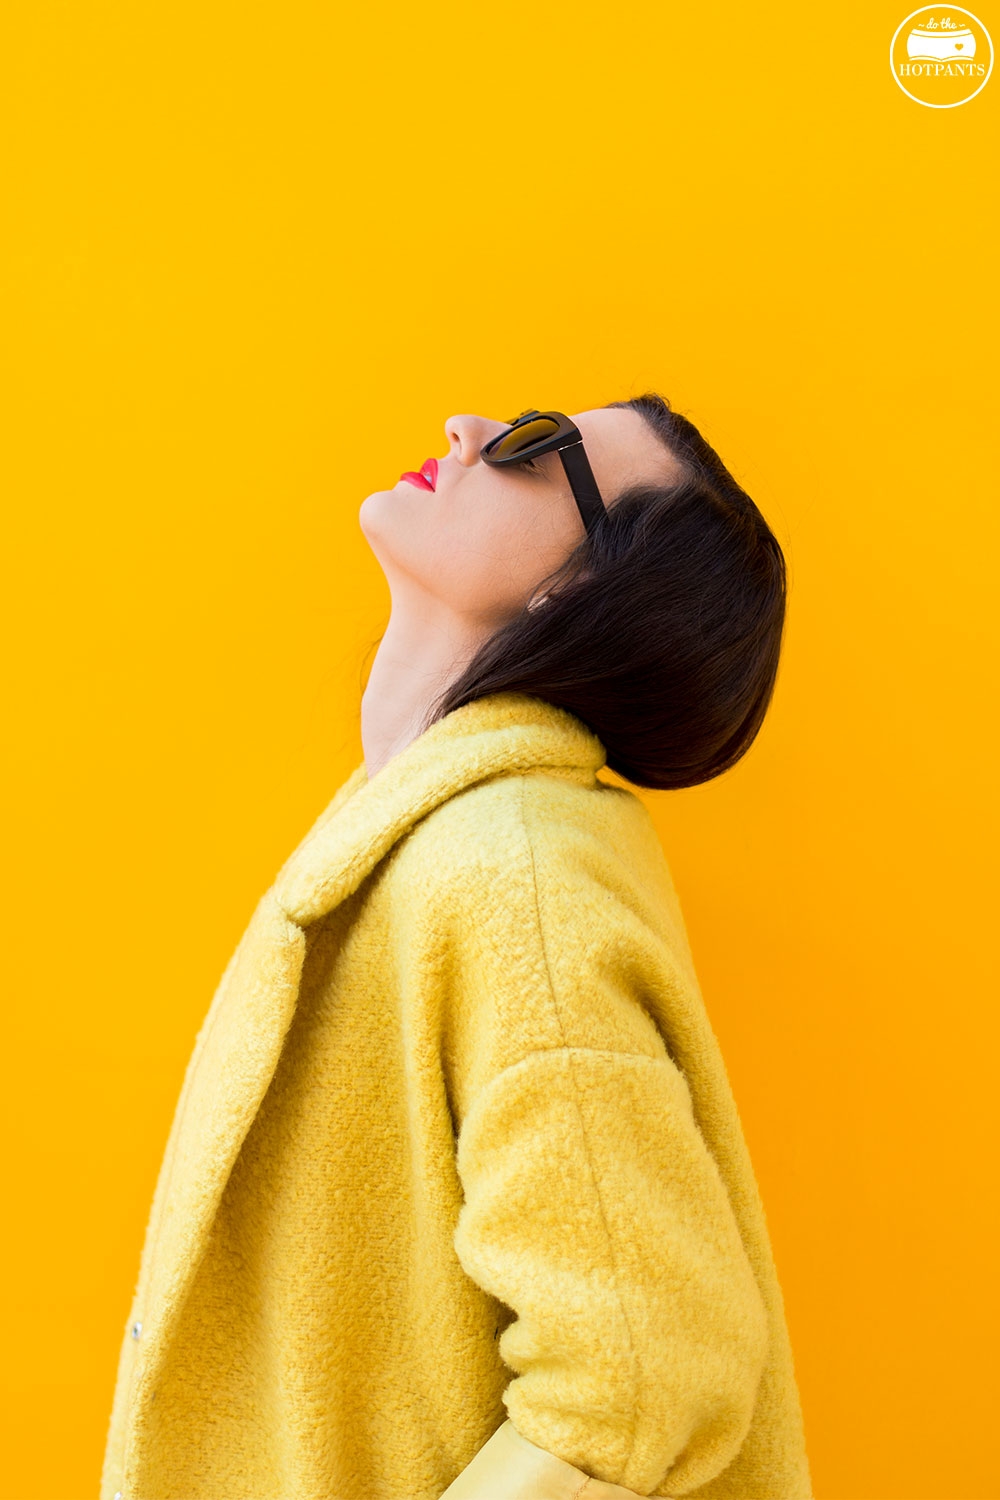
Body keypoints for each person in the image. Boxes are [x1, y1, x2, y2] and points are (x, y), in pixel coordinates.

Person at [101, 394, 813, 1500]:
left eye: (537, 446)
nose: (466, 427)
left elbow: (640, 1379)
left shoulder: (512, 870)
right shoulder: (440, 840)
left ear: (577, 590)